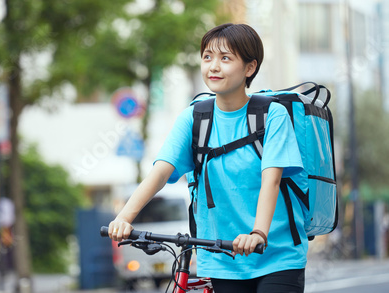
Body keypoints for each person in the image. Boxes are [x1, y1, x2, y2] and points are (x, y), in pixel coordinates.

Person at [108, 23, 306, 293]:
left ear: (249, 68)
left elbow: (270, 181)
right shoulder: (194, 118)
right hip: (222, 256)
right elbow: (160, 173)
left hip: (277, 256)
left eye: (225, 58)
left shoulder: (272, 116)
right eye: (207, 57)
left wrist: (258, 234)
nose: (213, 66)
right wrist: (124, 218)